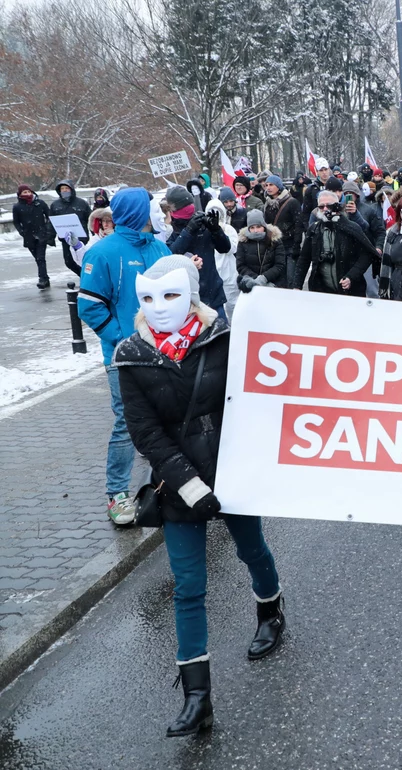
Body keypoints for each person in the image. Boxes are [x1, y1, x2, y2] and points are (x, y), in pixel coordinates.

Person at [114, 255, 285, 737]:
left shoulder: (224, 336)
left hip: (232, 471)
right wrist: (190, 485)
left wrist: (264, 304)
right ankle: (197, 697)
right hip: (179, 481)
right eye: (148, 298)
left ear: (191, 293)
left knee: (253, 550)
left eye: (170, 295)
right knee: (188, 586)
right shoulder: (132, 355)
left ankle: (271, 611)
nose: (159, 307)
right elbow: (145, 433)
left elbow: (264, 384)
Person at [78, 188, 172, 525]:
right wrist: (123, 340)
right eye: (147, 209)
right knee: (126, 424)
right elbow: (88, 306)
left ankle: (167, 483)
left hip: (164, 353)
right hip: (124, 358)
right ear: (135, 212)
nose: (154, 214)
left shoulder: (159, 247)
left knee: (167, 418)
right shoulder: (102, 252)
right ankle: (117, 494)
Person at [293, 190, 378, 294]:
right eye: (321, 206)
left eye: (329, 206)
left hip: (351, 292)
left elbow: (367, 254)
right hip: (321, 290)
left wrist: (351, 276)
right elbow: (304, 259)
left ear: (337, 206)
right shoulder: (314, 229)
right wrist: (297, 286)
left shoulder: (351, 227)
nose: (325, 209)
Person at [165, 185, 229, 317]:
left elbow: (225, 248)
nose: (189, 209)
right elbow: (170, 256)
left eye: (190, 204)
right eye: (185, 206)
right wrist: (188, 231)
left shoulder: (202, 223)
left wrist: (216, 230)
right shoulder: (170, 230)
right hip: (188, 301)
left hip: (213, 295)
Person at [261, 174, 303, 289]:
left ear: (278, 187)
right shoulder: (267, 204)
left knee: (291, 280)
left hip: (290, 246)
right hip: (275, 247)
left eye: (271, 185)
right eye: (266, 185)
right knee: (279, 280)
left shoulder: (292, 202)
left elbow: (299, 225)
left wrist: (296, 245)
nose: (268, 188)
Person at [12, 184, 55, 289]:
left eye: (29, 191)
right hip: (28, 236)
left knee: (40, 258)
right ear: (20, 194)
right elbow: (16, 222)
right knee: (37, 258)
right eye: (24, 192)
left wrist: (47, 229)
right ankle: (45, 277)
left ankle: (42, 279)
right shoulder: (17, 207)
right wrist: (21, 231)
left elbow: (49, 216)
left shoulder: (40, 203)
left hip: (41, 234)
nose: (27, 194)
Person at [204, 197, 240, 317]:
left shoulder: (229, 229)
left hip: (229, 272)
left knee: (232, 303)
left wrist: (221, 234)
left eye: (218, 211)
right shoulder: (204, 230)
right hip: (213, 272)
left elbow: (233, 247)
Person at [235, 209, 286, 292]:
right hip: (250, 284)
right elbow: (240, 265)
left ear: (264, 226)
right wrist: (255, 279)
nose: (255, 231)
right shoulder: (243, 241)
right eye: (252, 227)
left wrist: (265, 278)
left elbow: (280, 264)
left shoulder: (275, 240)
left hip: (273, 284)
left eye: (258, 227)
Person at [49, 179, 92, 276]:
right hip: (65, 238)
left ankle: (89, 278)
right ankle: (83, 276)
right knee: (69, 261)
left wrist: (95, 231)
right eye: (62, 189)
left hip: (81, 237)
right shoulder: (55, 205)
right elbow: (52, 222)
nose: (64, 190)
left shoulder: (81, 203)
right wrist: (50, 237)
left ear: (71, 189)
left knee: (83, 259)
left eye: (66, 188)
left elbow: (90, 218)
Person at [302, 159, 333, 224]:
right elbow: (306, 212)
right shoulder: (311, 190)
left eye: (326, 169)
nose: (324, 172)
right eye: (321, 170)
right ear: (317, 171)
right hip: (317, 224)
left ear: (329, 169)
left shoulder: (336, 185)